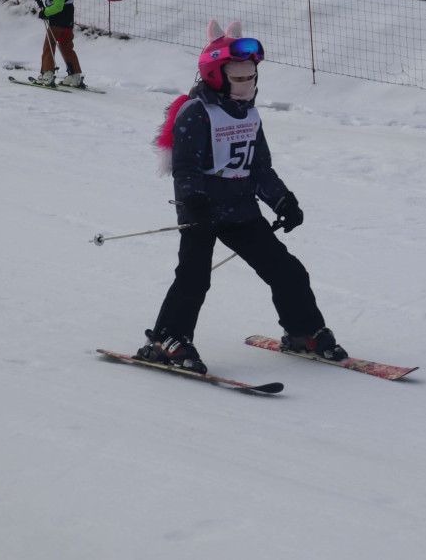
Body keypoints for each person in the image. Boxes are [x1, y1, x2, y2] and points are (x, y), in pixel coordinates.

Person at [137, 19, 347, 373]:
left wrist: (283, 201)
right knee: (194, 278)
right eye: (238, 79)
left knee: (287, 271)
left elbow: (259, 167)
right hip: (202, 210)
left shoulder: (248, 113)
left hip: (240, 210)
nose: (246, 85)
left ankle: (302, 332)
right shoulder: (197, 112)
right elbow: (185, 167)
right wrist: (195, 203)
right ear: (216, 76)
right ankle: (166, 339)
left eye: (251, 78)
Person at [34, 0, 85, 87]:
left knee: (49, 46)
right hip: (67, 26)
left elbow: (58, 7)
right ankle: (75, 76)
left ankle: (47, 74)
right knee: (67, 48)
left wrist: (46, 12)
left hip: (57, 24)